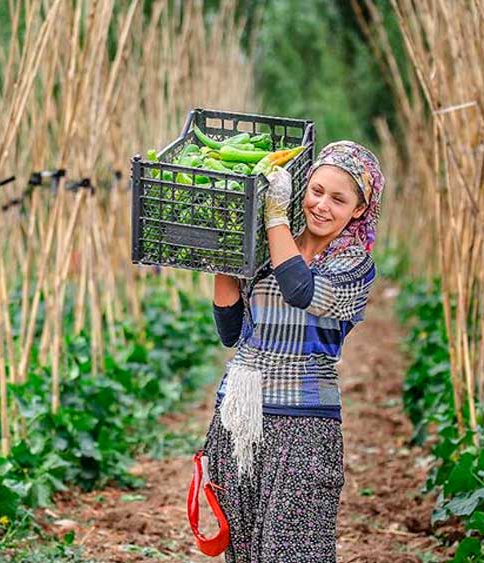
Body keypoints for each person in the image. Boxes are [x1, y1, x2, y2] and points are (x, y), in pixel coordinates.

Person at [203, 140, 385, 563]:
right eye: (316, 191)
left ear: (358, 210)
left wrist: (273, 216)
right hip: (240, 418)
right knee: (244, 549)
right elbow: (231, 333)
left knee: (294, 549)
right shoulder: (267, 246)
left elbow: (300, 289)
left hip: (304, 424)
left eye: (338, 199)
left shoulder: (353, 265)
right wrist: (224, 255)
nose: (322, 205)